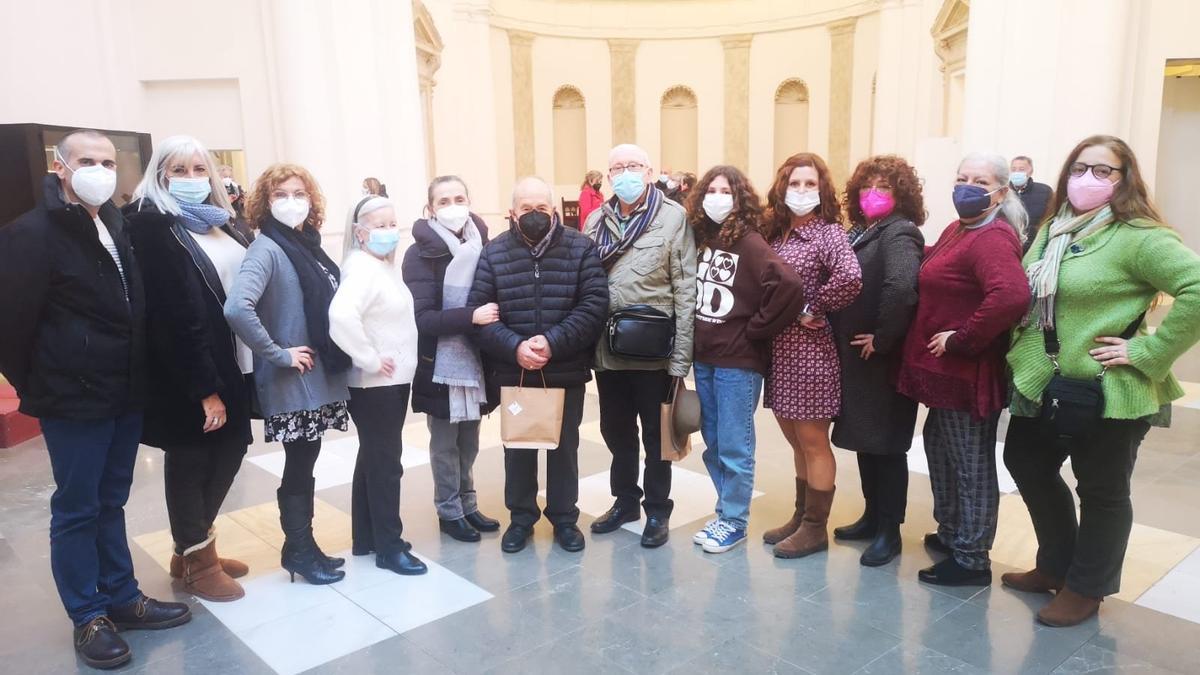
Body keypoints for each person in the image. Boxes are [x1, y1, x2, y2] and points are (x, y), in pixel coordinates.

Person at [0, 129, 190, 669]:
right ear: (59, 166)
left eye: (108, 161)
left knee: (112, 500)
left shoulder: (113, 223)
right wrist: (49, 381)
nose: (100, 170)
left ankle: (122, 596)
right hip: (73, 397)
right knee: (78, 507)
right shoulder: (30, 234)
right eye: (87, 160)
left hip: (123, 391)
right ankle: (88, 615)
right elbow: (11, 327)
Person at [1004, 135, 1200, 626]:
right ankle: (1055, 565)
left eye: (1103, 171)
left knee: (1102, 490)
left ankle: (1086, 587)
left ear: (1124, 179)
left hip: (1112, 389)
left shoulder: (1139, 235)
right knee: (1025, 462)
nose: (1087, 179)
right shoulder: (1055, 228)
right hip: (1046, 379)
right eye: (1080, 168)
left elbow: (1196, 287)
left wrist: (1148, 350)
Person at [124, 135, 254, 602]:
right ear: (160, 175)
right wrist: (204, 388)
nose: (192, 180)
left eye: (201, 170)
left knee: (232, 449)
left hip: (234, 360)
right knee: (192, 459)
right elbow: (172, 315)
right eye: (179, 171)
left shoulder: (223, 223)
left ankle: (192, 548)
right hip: (188, 369)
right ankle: (198, 563)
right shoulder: (152, 228)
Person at [896, 153, 1030, 587]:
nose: (967, 187)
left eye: (979, 181)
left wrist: (963, 337)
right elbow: (937, 262)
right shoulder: (960, 228)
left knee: (970, 465)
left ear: (1001, 192)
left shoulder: (993, 237)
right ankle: (953, 532)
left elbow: (1010, 296)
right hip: (945, 378)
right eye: (961, 178)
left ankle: (972, 558)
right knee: (940, 449)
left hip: (967, 375)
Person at [225, 163, 351, 585]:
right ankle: (297, 548)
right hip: (293, 380)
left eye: (299, 193)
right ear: (265, 201)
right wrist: (277, 353)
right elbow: (237, 308)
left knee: (306, 459)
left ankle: (303, 545)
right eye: (281, 194)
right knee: (300, 462)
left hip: (313, 379)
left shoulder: (305, 245)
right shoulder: (267, 248)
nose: (291, 201)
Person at [469, 176, 609, 554]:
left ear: (555, 211)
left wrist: (553, 341)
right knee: (518, 447)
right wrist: (514, 347)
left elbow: (594, 304)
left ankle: (564, 518)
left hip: (565, 368)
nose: (535, 216)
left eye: (542, 209)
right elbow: (481, 314)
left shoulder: (581, 248)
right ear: (512, 213)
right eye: (526, 209)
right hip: (514, 372)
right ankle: (521, 518)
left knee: (565, 447)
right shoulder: (494, 252)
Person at [687, 166, 805, 554]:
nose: (717, 197)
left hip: (737, 361)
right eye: (712, 190)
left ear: (740, 201)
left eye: (727, 191)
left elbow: (787, 285)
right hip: (705, 357)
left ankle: (735, 521)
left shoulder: (749, 242)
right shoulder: (706, 238)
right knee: (713, 440)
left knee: (736, 445)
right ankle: (725, 512)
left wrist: (756, 328)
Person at [584, 144, 697, 548]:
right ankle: (625, 501)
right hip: (607, 349)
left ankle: (658, 511)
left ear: (649, 172)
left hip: (654, 350)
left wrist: (681, 359)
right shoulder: (596, 219)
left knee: (656, 435)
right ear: (609, 176)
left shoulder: (673, 217)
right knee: (615, 431)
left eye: (633, 165)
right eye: (617, 167)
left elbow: (686, 287)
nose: (625, 173)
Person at [761, 152, 862, 559]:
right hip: (778, 350)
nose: (801, 191)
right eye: (794, 183)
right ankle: (802, 515)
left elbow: (851, 278)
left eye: (810, 184)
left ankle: (815, 528)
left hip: (810, 353)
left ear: (821, 190)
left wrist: (812, 307)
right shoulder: (776, 235)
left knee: (813, 440)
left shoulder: (828, 235)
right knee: (793, 439)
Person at [827, 156, 925, 567]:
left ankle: (890, 531)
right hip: (857, 361)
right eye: (867, 186)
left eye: (884, 187)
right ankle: (871, 517)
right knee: (867, 442)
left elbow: (901, 287)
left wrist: (883, 339)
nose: (873, 194)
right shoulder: (862, 231)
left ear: (901, 193)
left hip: (878, 361)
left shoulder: (900, 232)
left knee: (886, 447)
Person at [328, 196, 427, 576]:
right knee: (386, 464)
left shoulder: (379, 266)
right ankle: (390, 546)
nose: (389, 232)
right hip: (376, 385)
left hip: (387, 382)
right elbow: (341, 316)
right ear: (359, 232)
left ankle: (366, 537)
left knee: (372, 456)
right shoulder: (363, 270)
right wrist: (368, 358)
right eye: (380, 225)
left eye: (392, 224)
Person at [402, 176, 502, 543]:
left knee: (470, 441)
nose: (453, 205)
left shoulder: (482, 244)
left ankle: (468, 503)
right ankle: (448, 510)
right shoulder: (420, 254)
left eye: (459, 197)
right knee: (444, 443)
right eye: (444, 200)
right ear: (431, 209)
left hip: (476, 360)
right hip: (440, 364)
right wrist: (470, 316)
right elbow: (423, 318)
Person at [1010, 155, 1054, 251]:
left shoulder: (1045, 191)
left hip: (1033, 247)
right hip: (1008, 244)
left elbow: (1050, 220)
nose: (1017, 172)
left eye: (1021, 169)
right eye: (1013, 169)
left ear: (1030, 171)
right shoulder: (1003, 192)